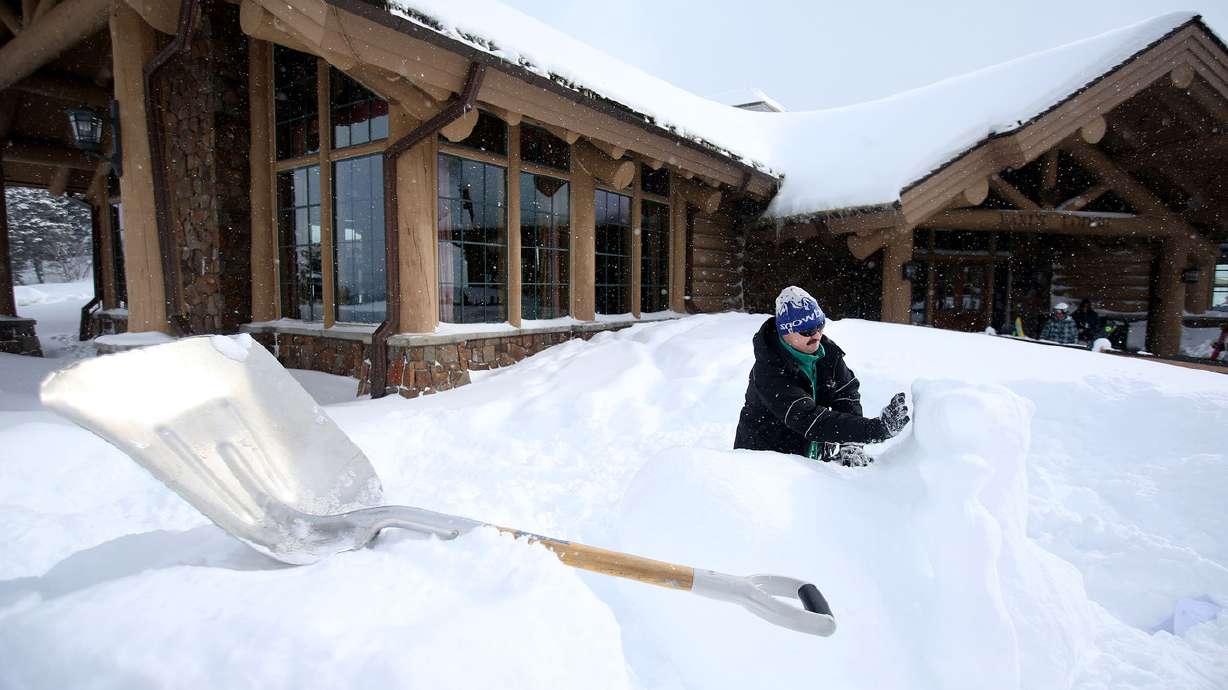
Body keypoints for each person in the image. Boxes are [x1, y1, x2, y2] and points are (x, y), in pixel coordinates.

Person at [734, 286, 911, 467]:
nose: (816, 335)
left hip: (810, 464)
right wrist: (876, 430)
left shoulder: (828, 354)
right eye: (807, 331)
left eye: (819, 326)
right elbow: (810, 420)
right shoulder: (769, 371)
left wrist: (850, 444)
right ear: (785, 331)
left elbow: (846, 395)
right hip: (764, 466)